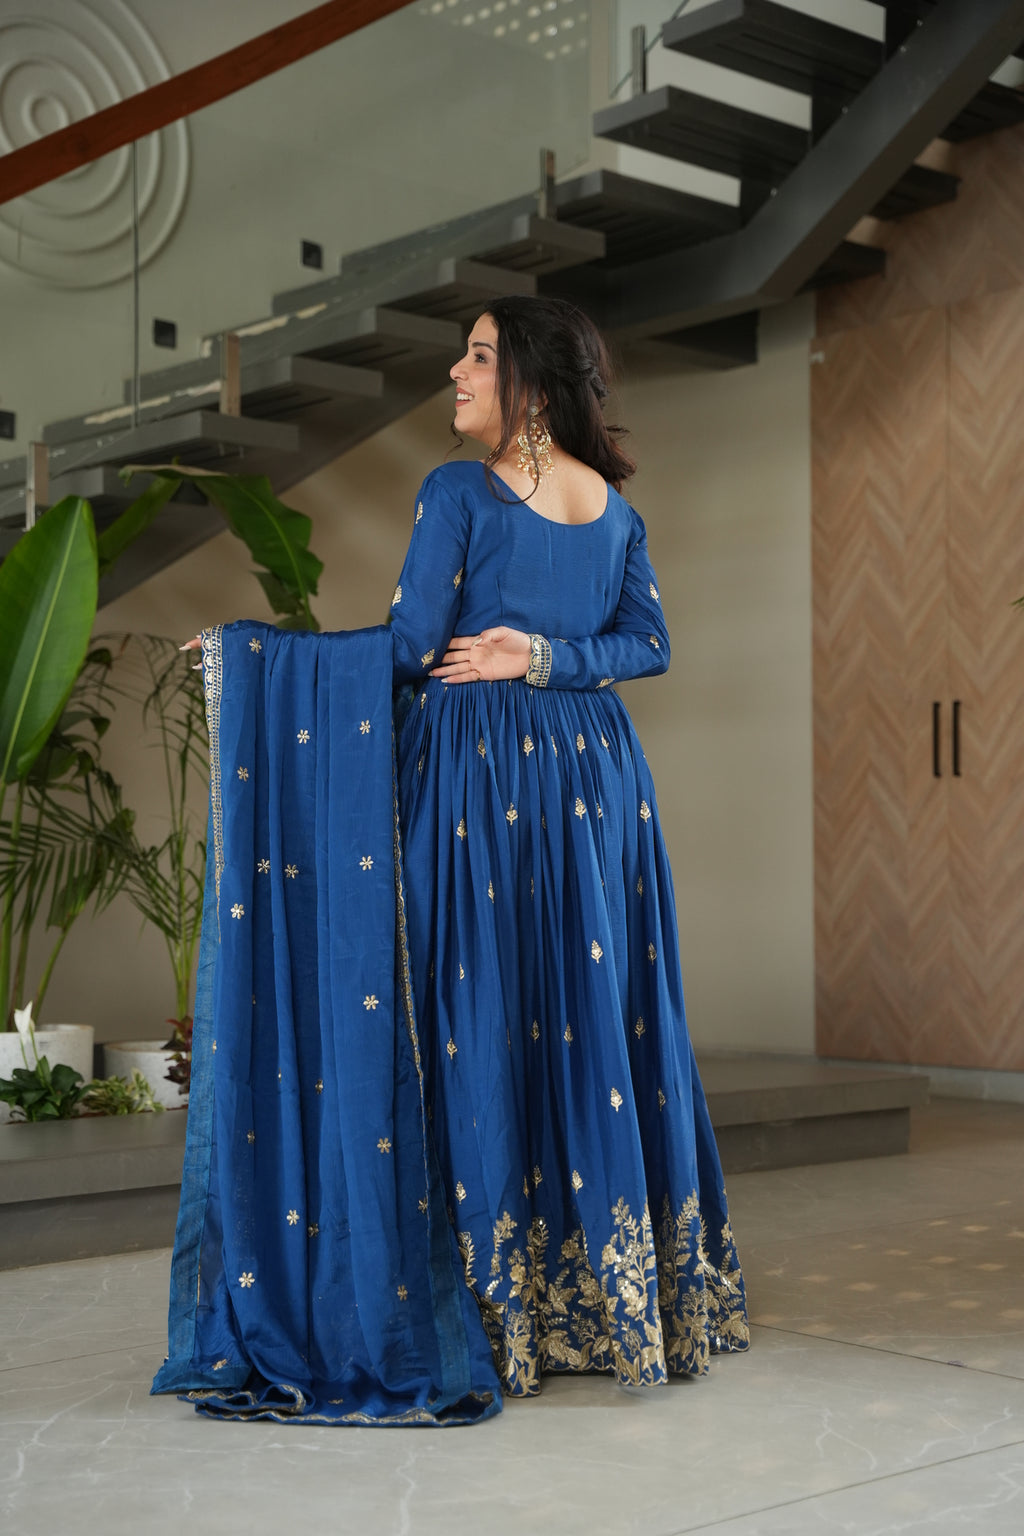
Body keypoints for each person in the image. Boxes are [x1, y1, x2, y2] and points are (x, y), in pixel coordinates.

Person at [161, 296, 747, 1425]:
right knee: (582, 1010)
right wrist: (553, 656)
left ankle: (484, 1308)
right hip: (594, 787)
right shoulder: (611, 508)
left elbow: (410, 650)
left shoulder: (458, 494)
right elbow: (646, 646)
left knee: (465, 1009)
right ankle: (614, 1300)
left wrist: (251, 658)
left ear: (526, 379)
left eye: (478, 356)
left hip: (477, 783)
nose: (455, 371)